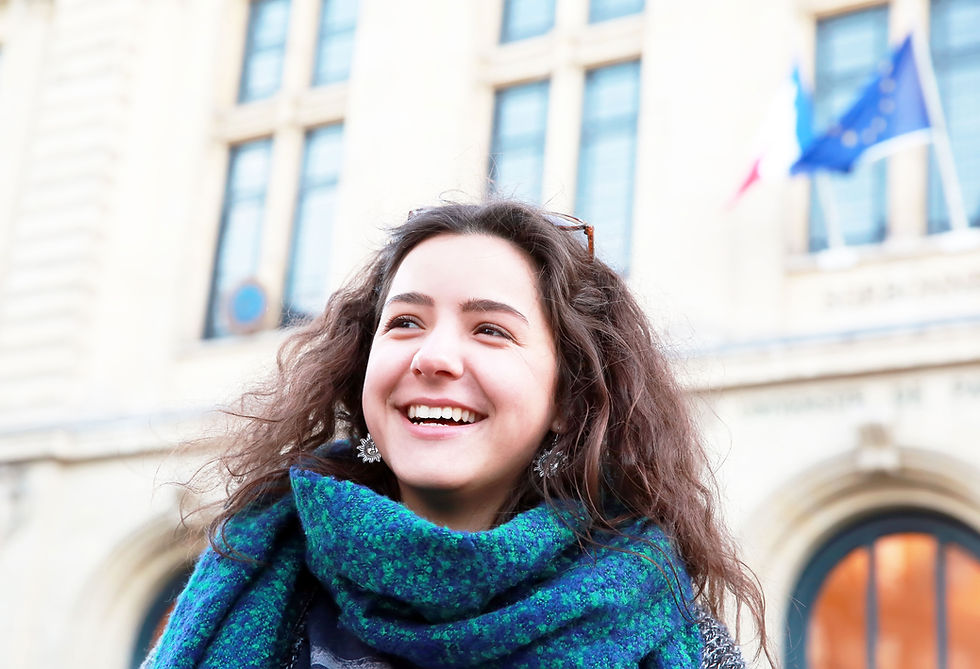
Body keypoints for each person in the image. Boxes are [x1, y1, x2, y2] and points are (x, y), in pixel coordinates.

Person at [144, 201, 771, 668]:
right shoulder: (247, 568)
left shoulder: (666, 626)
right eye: (405, 322)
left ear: (567, 398)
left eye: (490, 330)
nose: (433, 357)